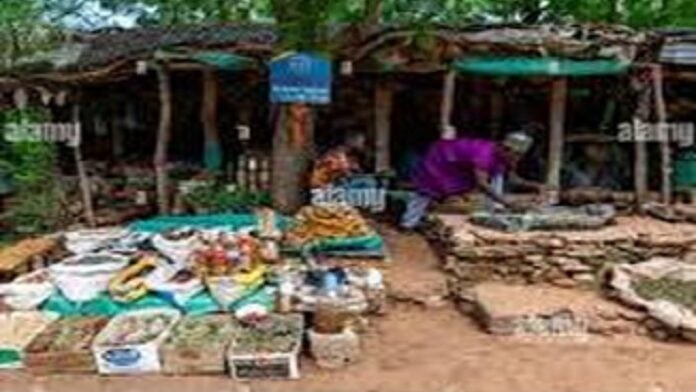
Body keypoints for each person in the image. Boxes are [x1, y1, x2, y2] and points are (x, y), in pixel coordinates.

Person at [400, 131, 546, 230]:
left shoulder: (504, 157)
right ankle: (408, 224)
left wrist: (536, 186)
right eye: (516, 154)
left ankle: (494, 210)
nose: (517, 159)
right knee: (427, 190)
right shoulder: (484, 154)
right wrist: (507, 202)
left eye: (520, 155)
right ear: (505, 148)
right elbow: (481, 184)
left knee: (497, 176)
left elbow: (512, 178)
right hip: (440, 161)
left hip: (459, 166)